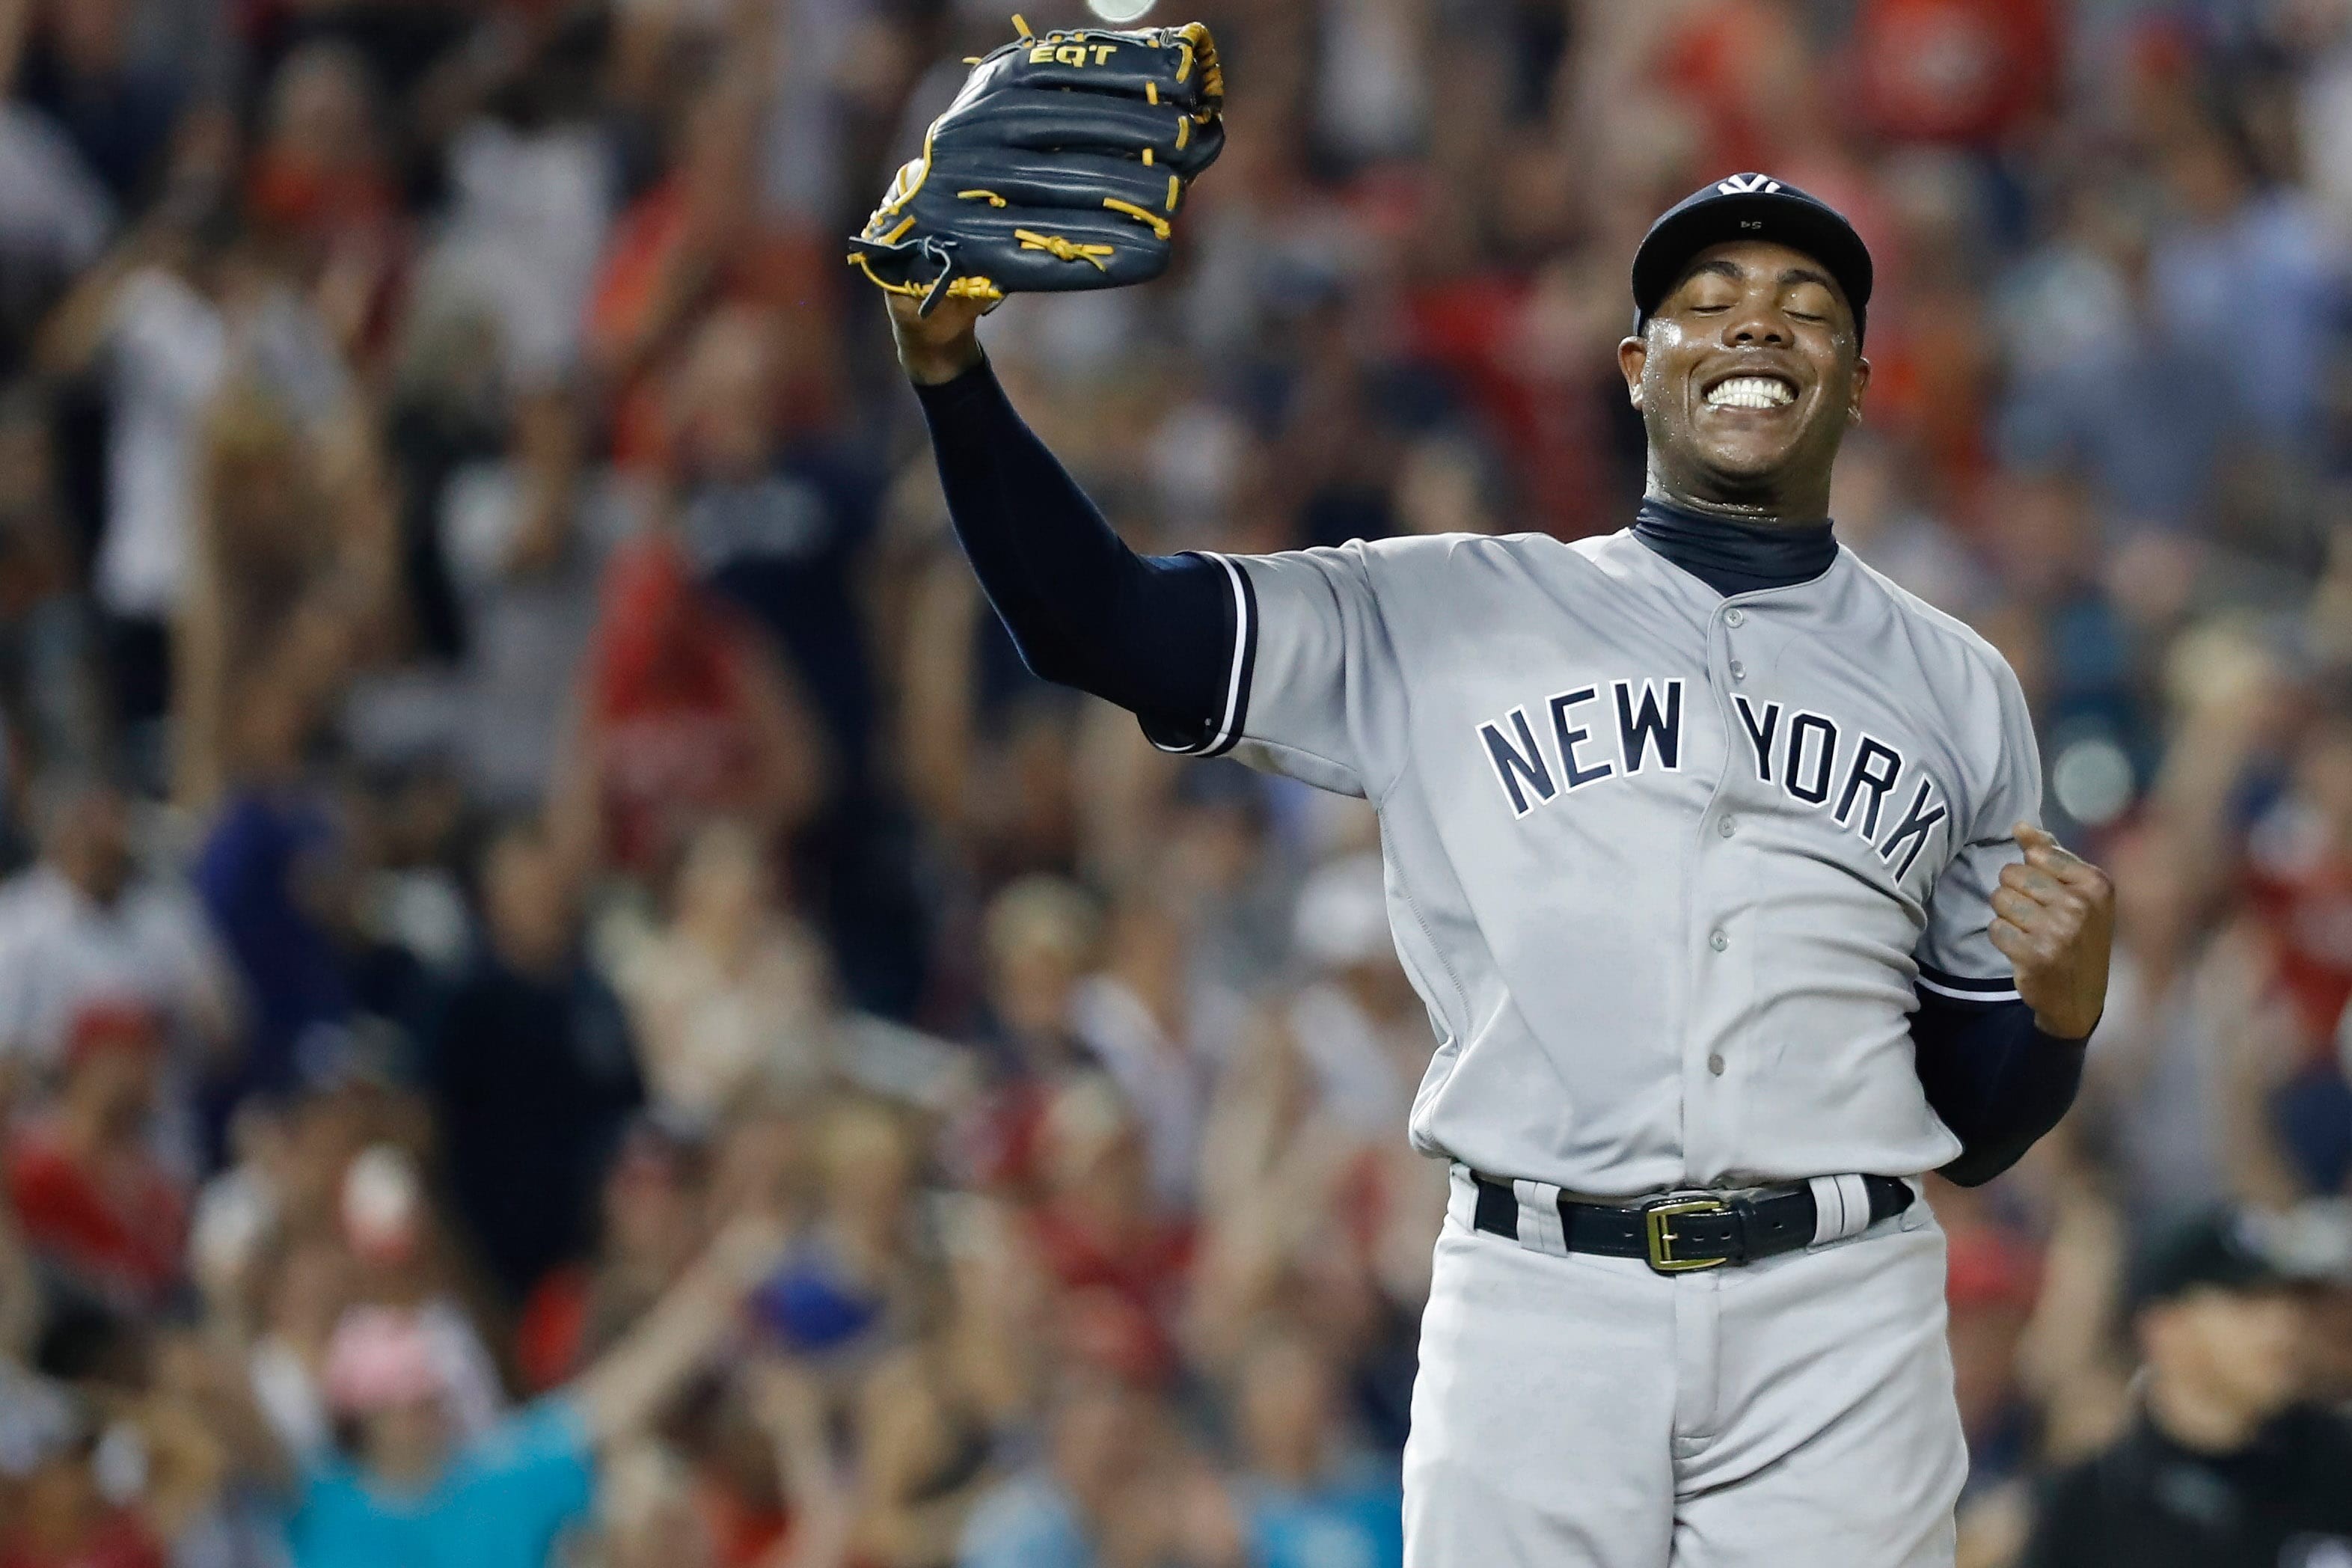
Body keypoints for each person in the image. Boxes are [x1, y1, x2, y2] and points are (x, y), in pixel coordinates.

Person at [881, 126, 2116, 1565]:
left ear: (1855, 379)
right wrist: (950, 377)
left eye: (1804, 309)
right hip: (1537, 1302)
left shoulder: (1956, 682)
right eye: (1705, 302)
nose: (1755, 325)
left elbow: (1975, 1125)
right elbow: (1097, 622)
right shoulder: (1452, 609)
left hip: (1836, 1313)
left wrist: (2060, 1015)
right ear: (1631, 367)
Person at [271, 1213, 789, 1568]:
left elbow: (622, 1395)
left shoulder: (502, 1475)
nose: (420, 1410)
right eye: (398, 1399)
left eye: (428, 1394)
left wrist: (726, 1274)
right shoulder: (313, 1499)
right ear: (359, 1416)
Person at [2017, 1209, 2352, 1567]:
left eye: (2289, 1301)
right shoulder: (2088, 1502)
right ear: (2164, 1327)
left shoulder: (2340, 1465)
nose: (2281, 1326)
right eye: (2248, 1301)